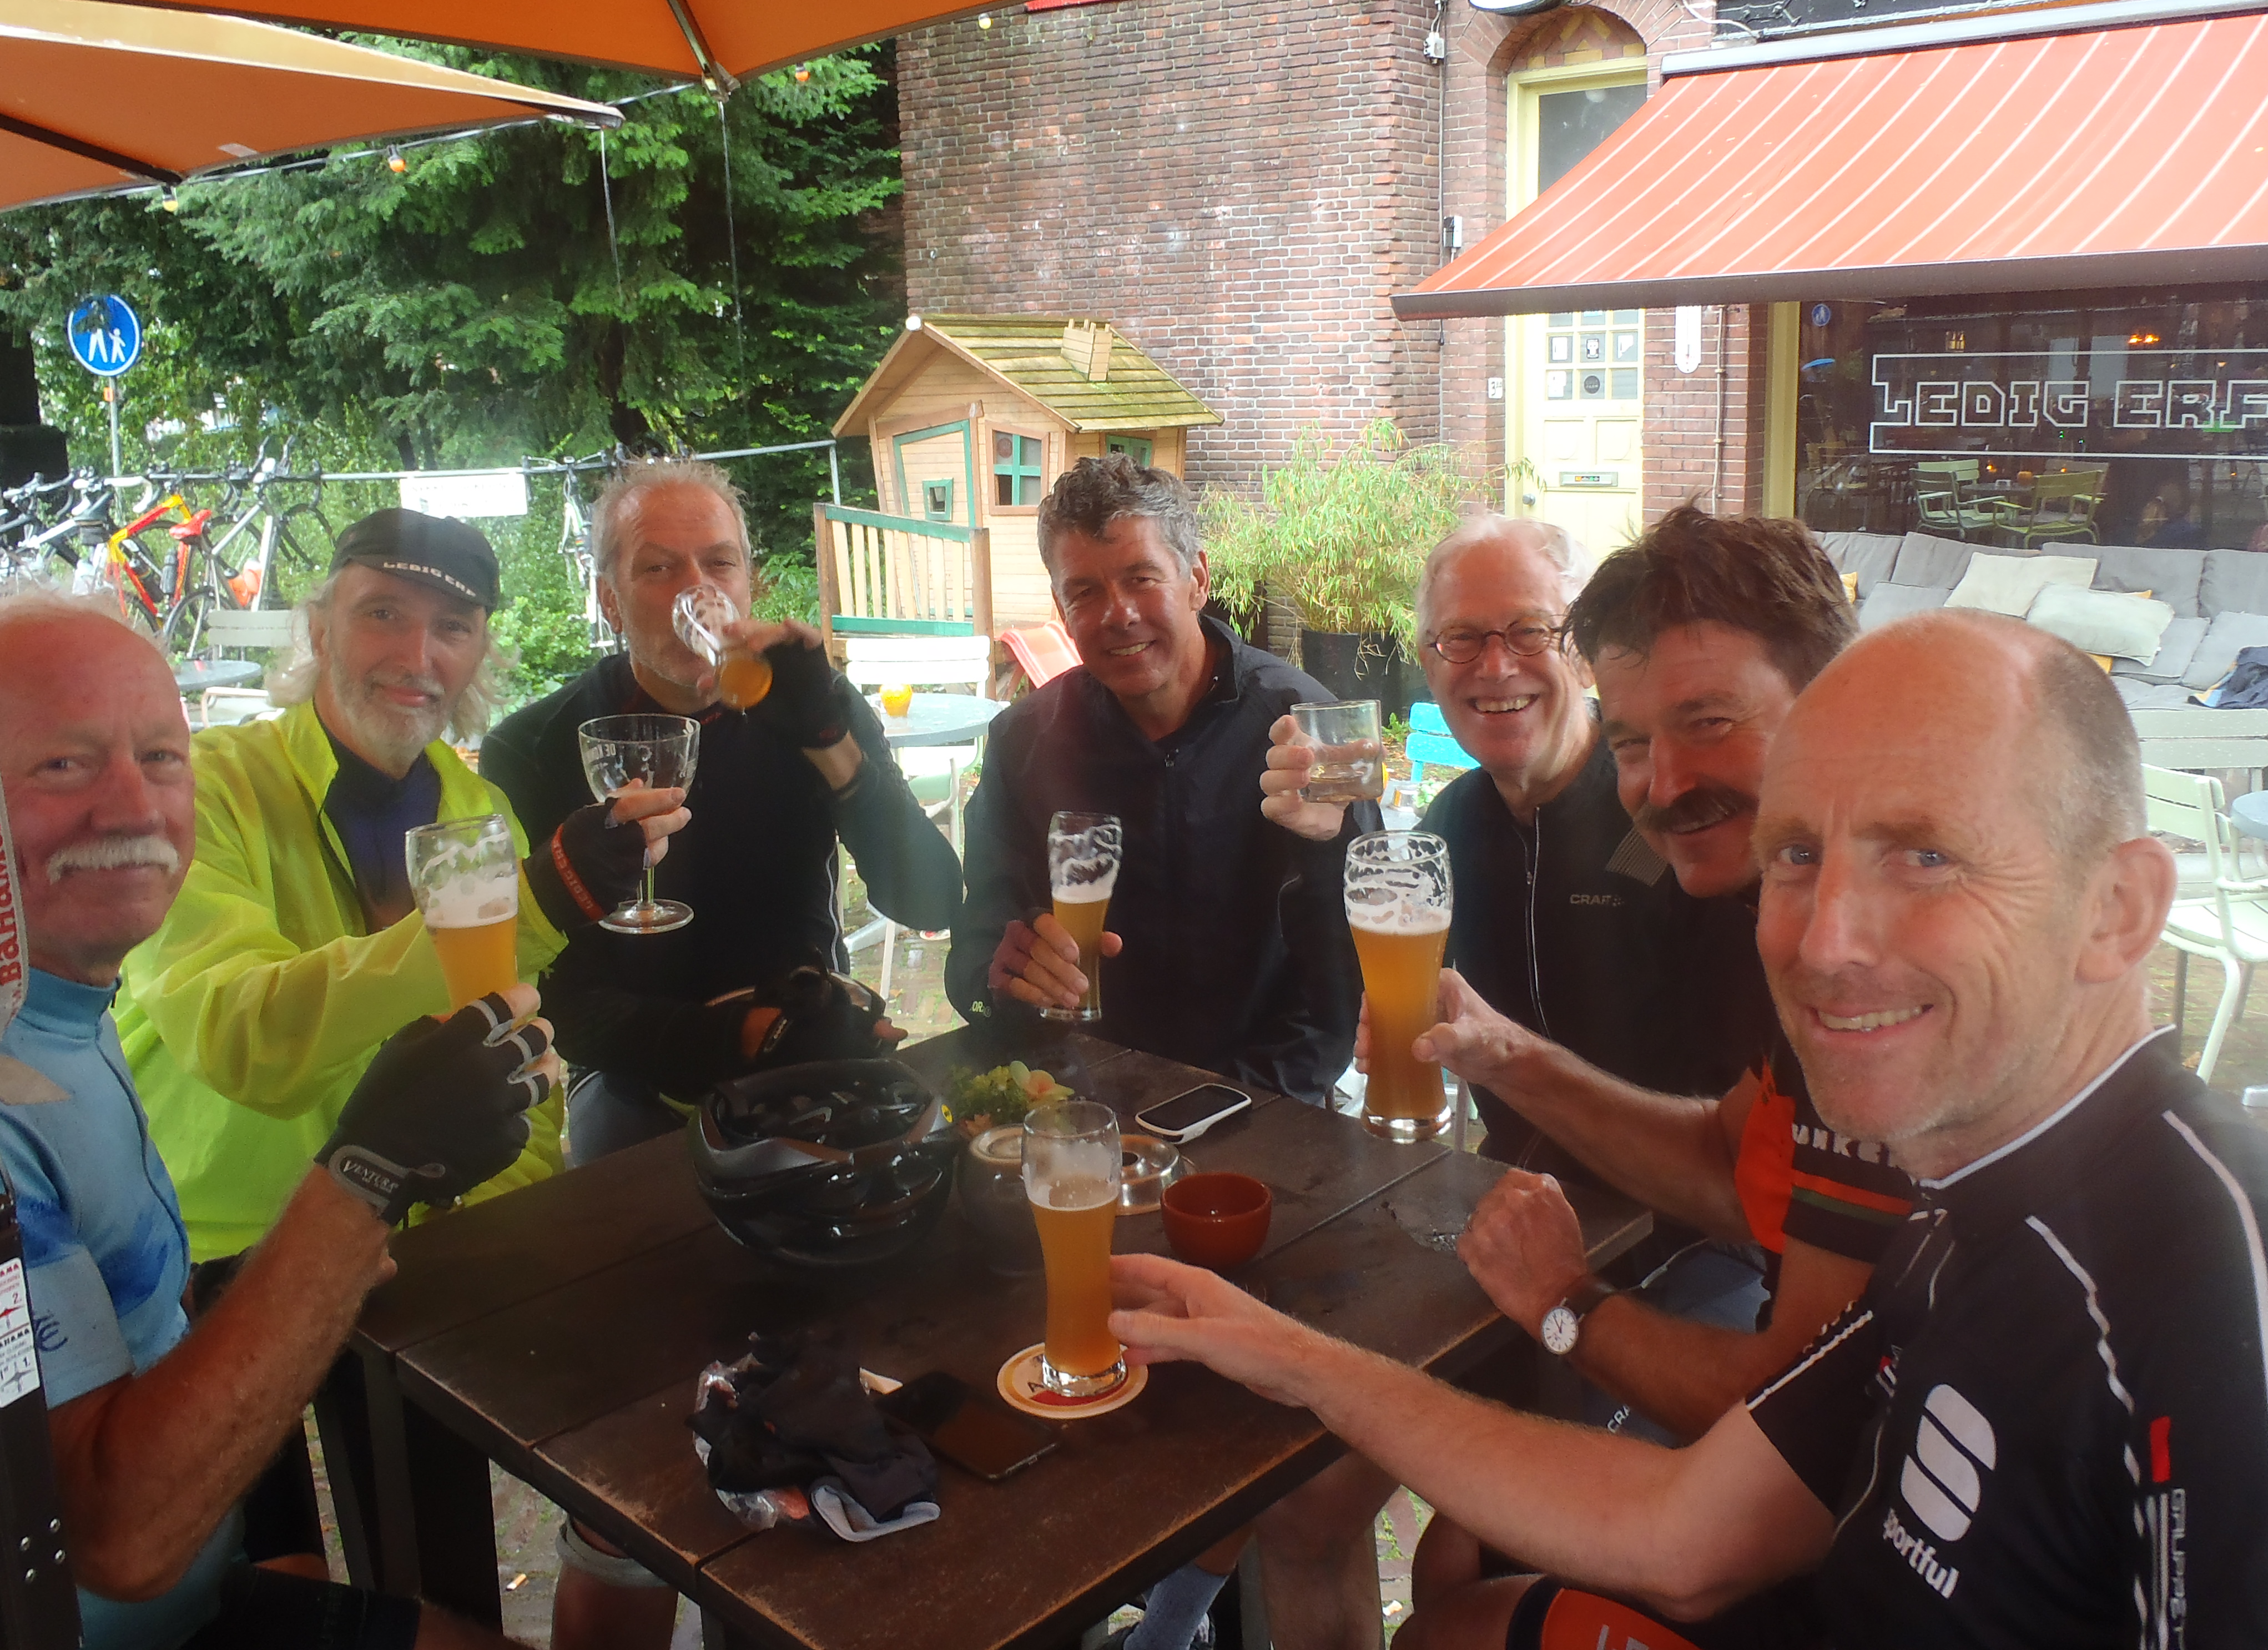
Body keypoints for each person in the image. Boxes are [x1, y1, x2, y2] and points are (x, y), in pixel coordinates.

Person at [1115, 609, 2268, 1650]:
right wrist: (1294, 1357)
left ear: (2117, 908)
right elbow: (1687, 1530)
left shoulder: (2260, 1313)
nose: (1824, 941)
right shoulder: (1965, 1216)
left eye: (1924, 855)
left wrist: (1557, 1305)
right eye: (1795, 855)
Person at [1247, 510, 1904, 1650]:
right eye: (1459, 639)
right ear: (1425, 661)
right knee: (1307, 1508)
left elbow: (1756, 1245)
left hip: (1693, 1270)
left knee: (1457, 1574)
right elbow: (1361, 1002)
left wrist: (1566, 1297)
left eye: (1524, 631)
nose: (1492, 666)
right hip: (1522, 1226)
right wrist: (1324, 852)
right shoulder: (1456, 825)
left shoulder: (1771, 904)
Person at [114, 508, 683, 1575]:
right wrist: (530, 902)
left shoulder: (473, 809)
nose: (417, 655)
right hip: (215, 1246)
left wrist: (501, 1229)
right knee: (250, 1578)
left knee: (436, 1557)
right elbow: (241, 1035)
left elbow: (504, 1033)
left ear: (479, 653)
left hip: (408, 1242)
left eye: (452, 627)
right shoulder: (210, 783)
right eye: (383, 613)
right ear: (319, 625)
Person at [0, 588, 551, 1650]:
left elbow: (140, 1318)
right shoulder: (11, 1085)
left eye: (161, 758)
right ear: (321, 631)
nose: (132, 808)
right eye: (63, 763)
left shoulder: (60, 1003)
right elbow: (119, 1539)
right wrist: (368, 1173)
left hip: (209, 1569)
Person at [480, 460, 956, 1160]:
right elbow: (555, 999)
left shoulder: (814, 701)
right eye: (658, 568)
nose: (695, 591)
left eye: (719, 563)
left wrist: (830, 744)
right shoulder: (536, 746)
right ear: (611, 601)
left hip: (812, 1036)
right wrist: (744, 1036)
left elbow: (932, 900)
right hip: (636, 1080)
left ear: (747, 584)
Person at [947, 455, 1370, 1105]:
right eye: (1084, 592)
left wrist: (1253, 1101)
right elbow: (973, 971)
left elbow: (1357, 969)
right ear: (1060, 607)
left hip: (1265, 1103)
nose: (1117, 614)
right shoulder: (1023, 741)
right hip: (1081, 1099)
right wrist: (999, 984)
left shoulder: (1303, 725)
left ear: (1197, 578)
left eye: (1141, 579)